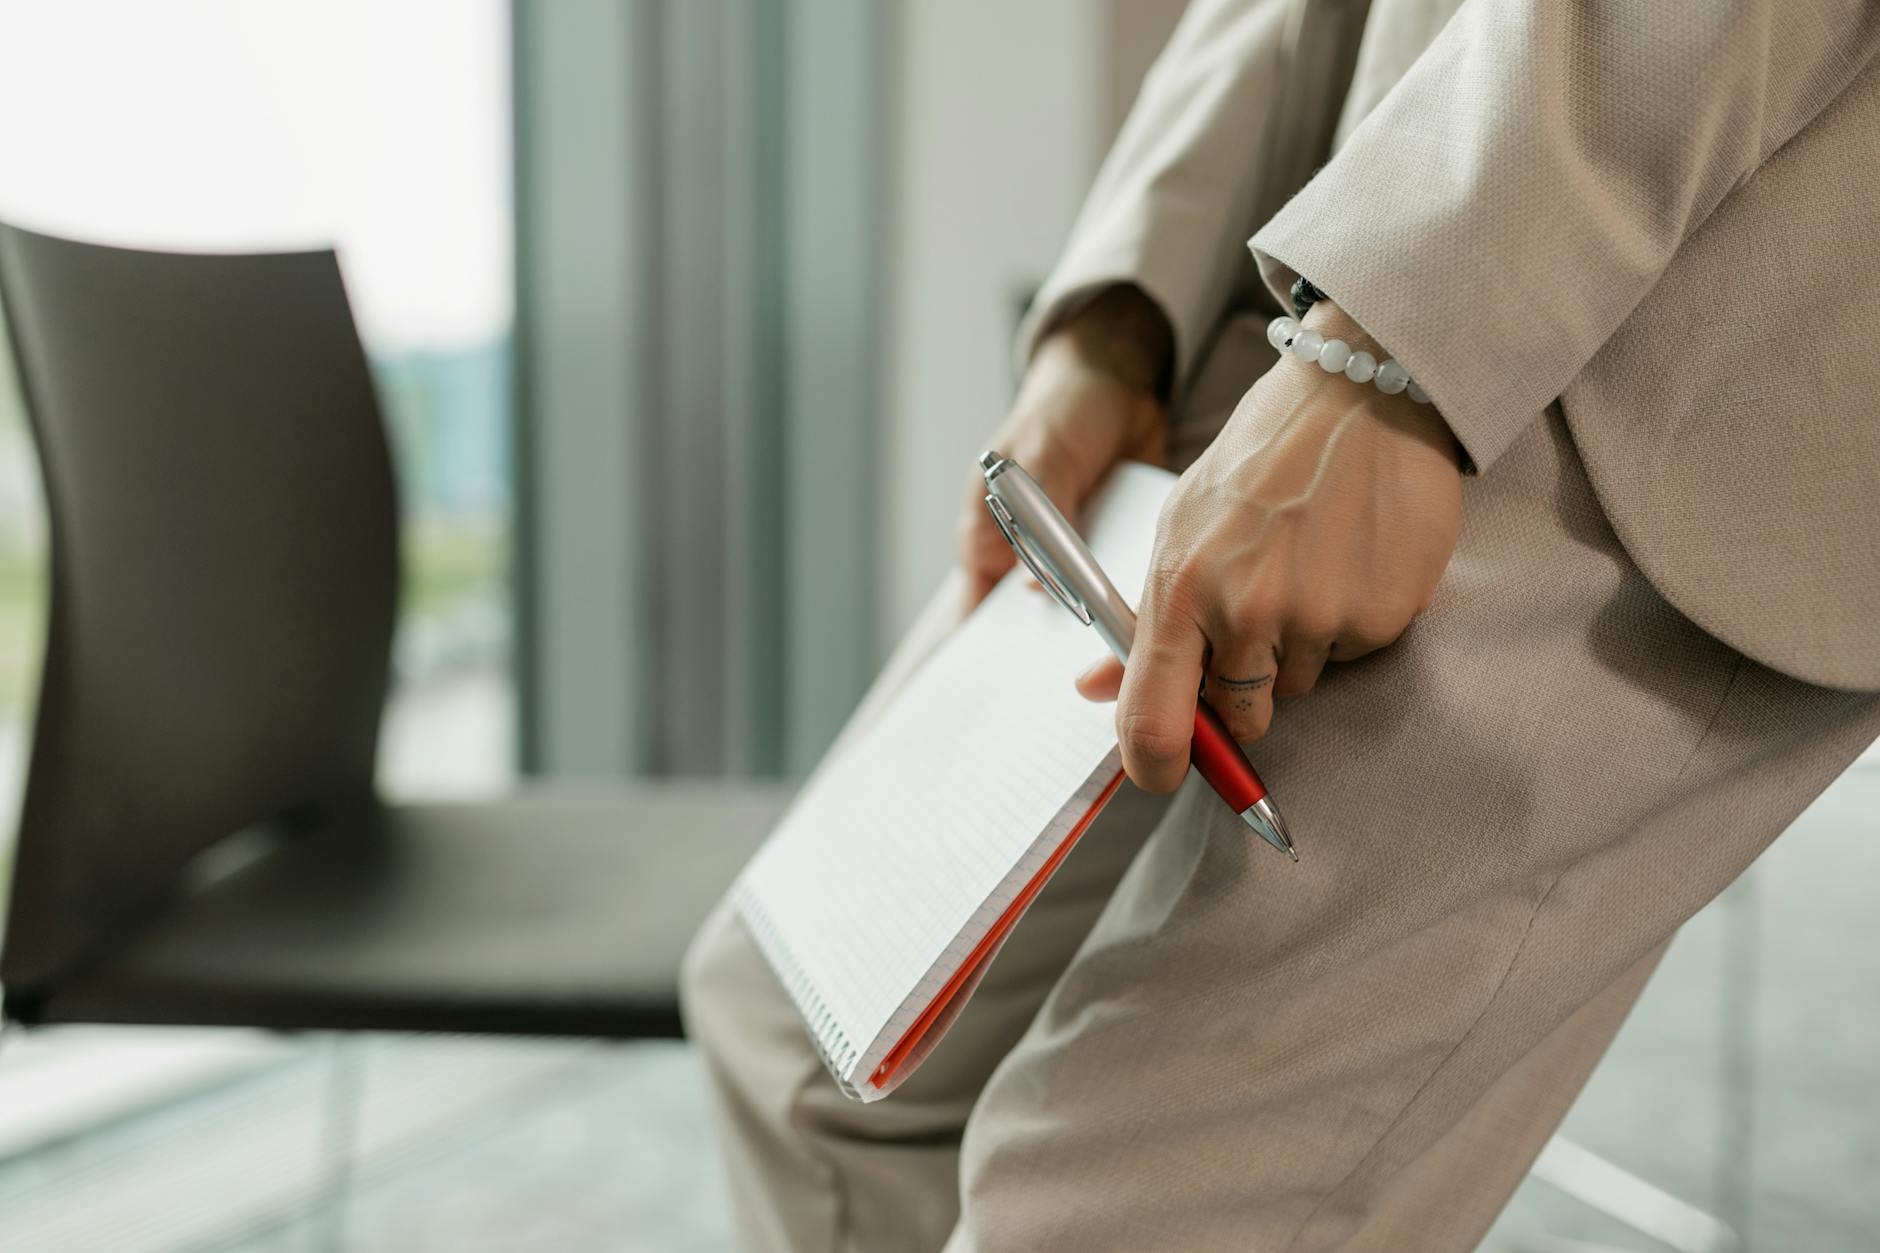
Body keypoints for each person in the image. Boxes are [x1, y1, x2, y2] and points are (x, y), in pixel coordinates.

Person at [681, 0, 1880, 1248]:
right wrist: (1117, 313)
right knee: (797, 1037)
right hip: (1314, 239)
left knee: (1102, 1207)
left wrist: (1402, 333)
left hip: (1647, 299)